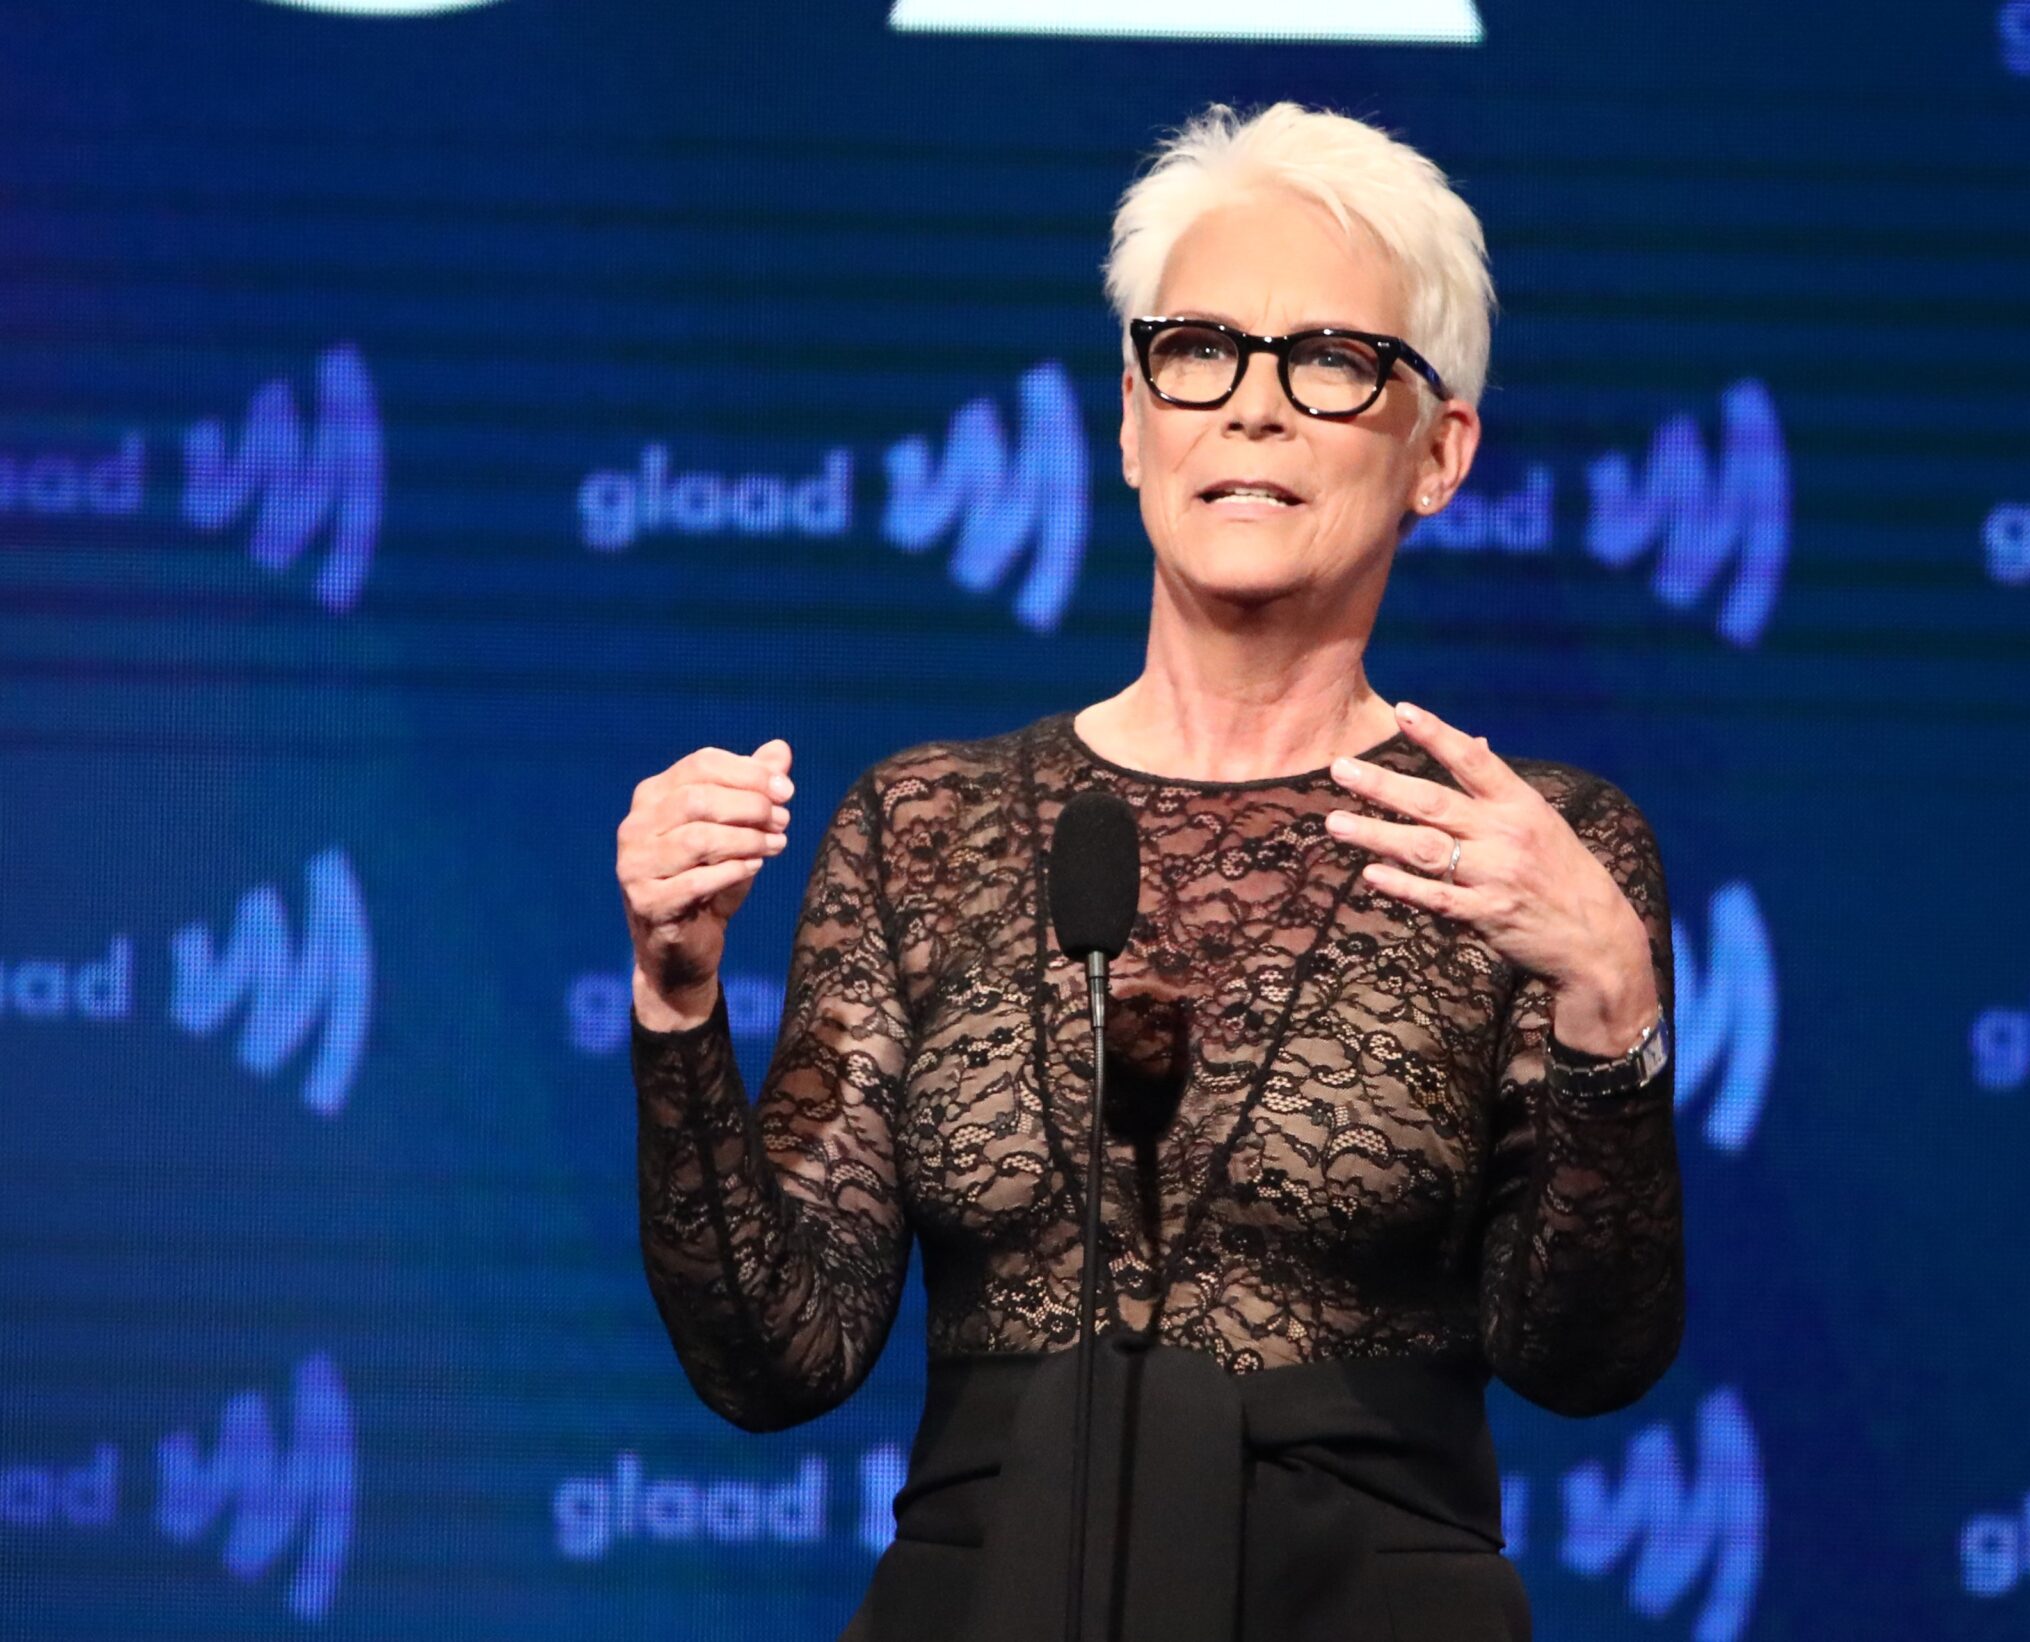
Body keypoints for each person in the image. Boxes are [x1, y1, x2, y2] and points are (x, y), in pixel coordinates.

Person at [617, 102, 1684, 1642]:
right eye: (1200, 349)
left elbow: (1585, 1357)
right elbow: (778, 1354)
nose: (1253, 407)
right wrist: (676, 998)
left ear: (1439, 450)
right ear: (1132, 420)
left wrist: (1610, 1003)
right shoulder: (930, 824)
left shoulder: (1526, 843)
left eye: (1329, 359)